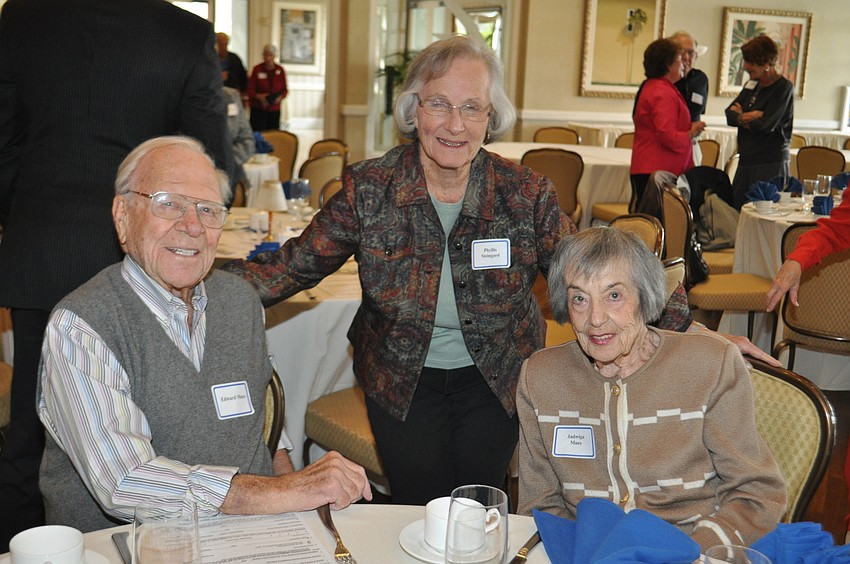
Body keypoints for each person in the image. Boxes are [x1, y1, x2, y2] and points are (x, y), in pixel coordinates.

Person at [224, 34, 576, 505]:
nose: (455, 124)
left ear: (491, 118)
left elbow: (587, 272)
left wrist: (672, 324)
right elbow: (291, 268)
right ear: (413, 111)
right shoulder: (371, 189)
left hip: (496, 376)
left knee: (478, 503)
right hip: (401, 378)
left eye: (472, 107)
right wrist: (190, 287)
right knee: (420, 504)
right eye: (439, 104)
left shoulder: (525, 193)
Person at [37, 137, 371, 532]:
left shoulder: (240, 301)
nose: (192, 226)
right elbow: (125, 484)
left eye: (208, 210)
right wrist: (277, 494)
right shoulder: (82, 325)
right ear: (123, 216)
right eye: (169, 204)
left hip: (247, 536)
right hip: (130, 548)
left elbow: (263, 432)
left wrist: (296, 499)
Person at [0, 0, 234, 550]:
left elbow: (4, 141)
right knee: (155, 419)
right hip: (146, 254)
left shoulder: (22, 17)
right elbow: (211, 162)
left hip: (45, 246)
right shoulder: (184, 32)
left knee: (31, 435)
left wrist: (32, 210)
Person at [517, 227, 786, 551]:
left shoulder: (709, 366)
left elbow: (756, 493)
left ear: (644, 297)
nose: (595, 319)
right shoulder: (541, 378)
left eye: (614, 296)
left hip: (695, 551)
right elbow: (541, 507)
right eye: (579, 299)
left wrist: (692, 553)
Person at [631, 38, 705, 206]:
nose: (684, 63)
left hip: (654, 167)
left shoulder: (657, 87)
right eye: (680, 59)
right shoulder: (661, 92)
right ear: (668, 65)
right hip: (658, 170)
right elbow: (667, 136)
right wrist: (691, 133)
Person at [725, 35, 794, 210]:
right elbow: (729, 115)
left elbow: (766, 125)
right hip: (747, 159)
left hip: (770, 162)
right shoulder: (752, 84)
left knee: (764, 212)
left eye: (751, 62)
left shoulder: (783, 88)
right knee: (737, 209)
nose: (746, 66)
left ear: (766, 64)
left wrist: (742, 115)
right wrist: (749, 116)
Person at [670, 31, 709, 167]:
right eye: (682, 52)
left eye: (691, 53)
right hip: (669, 146)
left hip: (692, 146)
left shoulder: (701, 79)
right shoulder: (665, 81)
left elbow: (699, 112)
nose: (686, 57)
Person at [248, 44, 288, 132]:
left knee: (273, 135)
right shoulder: (257, 69)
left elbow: (284, 90)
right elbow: (250, 89)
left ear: (274, 56)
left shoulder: (280, 70)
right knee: (258, 134)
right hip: (258, 108)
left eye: (270, 55)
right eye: (266, 55)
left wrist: (280, 97)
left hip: (274, 109)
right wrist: (259, 96)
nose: (268, 58)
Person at [223, 84, 256, 191]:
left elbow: (247, 141)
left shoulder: (230, 95)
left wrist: (224, 160)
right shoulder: (184, 95)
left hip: (232, 175)